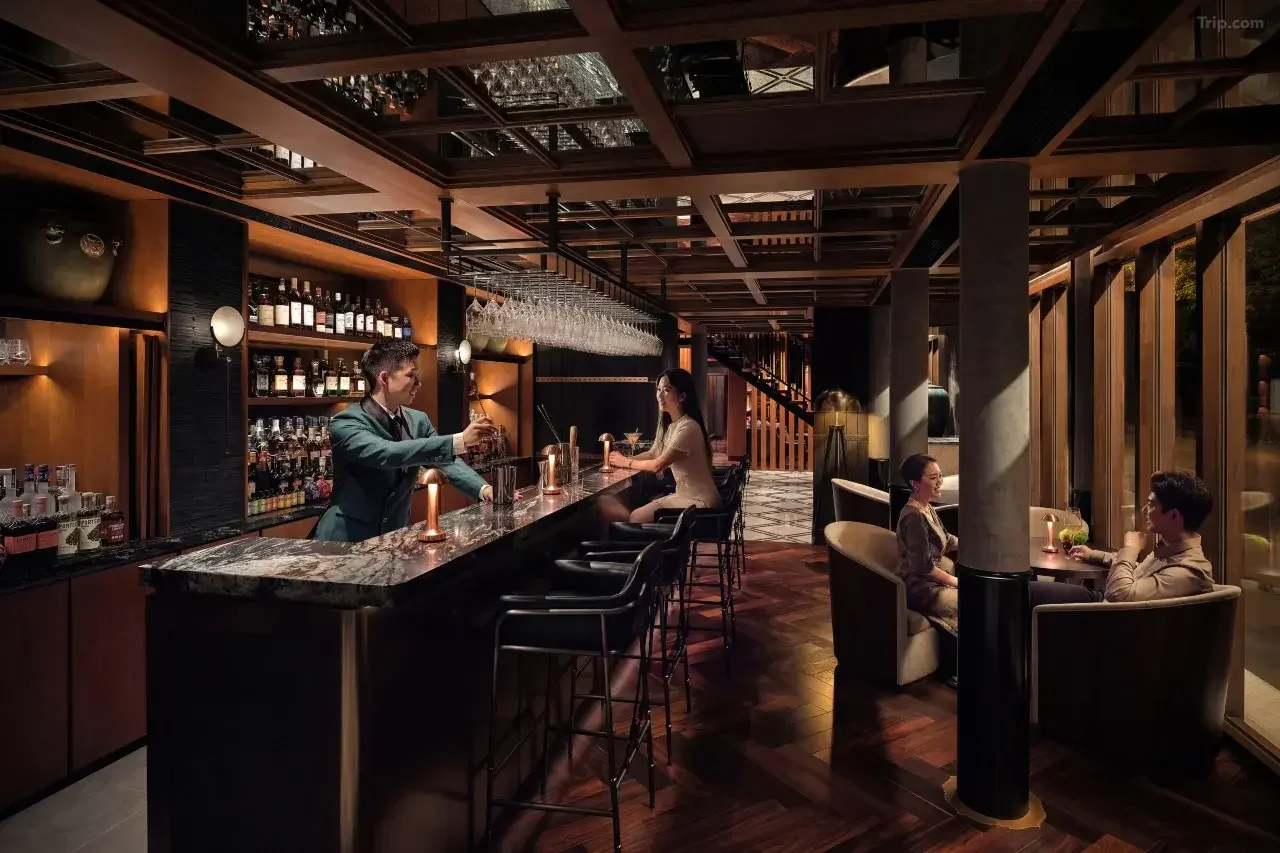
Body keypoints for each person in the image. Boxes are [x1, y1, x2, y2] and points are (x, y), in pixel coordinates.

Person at [314, 339, 497, 542]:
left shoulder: (418, 420)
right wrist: (459, 440)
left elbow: (445, 460)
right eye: (411, 376)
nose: (418, 384)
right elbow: (386, 453)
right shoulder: (346, 422)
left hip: (394, 535)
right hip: (344, 539)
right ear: (384, 378)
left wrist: (484, 489)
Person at [1029, 470, 1215, 607]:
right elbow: (1139, 575)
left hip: (1106, 616)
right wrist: (1096, 555)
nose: (1145, 511)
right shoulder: (1171, 548)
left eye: (1151, 505)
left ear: (1174, 516)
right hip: (1103, 603)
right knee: (1024, 584)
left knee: (1025, 592)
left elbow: (1119, 594)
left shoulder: (1189, 571)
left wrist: (1130, 550)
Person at [600, 368, 720, 524]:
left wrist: (626, 462)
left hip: (700, 502)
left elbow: (658, 465)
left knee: (635, 516)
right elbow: (653, 454)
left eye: (667, 390)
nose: (660, 395)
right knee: (618, 508)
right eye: (658, 390)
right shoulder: (670, 425)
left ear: (682, 396)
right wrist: (619, 461)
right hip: (684, 495)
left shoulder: (688, 427)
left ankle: (657, 546)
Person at [895, 453, 959, 631]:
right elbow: (924, 567)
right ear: (915, 484)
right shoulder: (913, 516)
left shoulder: (927, 507)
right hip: (920, 588)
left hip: (933, 581)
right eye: (933, 477)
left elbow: (947, 539)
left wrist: (975, 546)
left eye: (940, 476)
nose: (940, 482)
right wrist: (956, 581)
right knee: (972, 600)